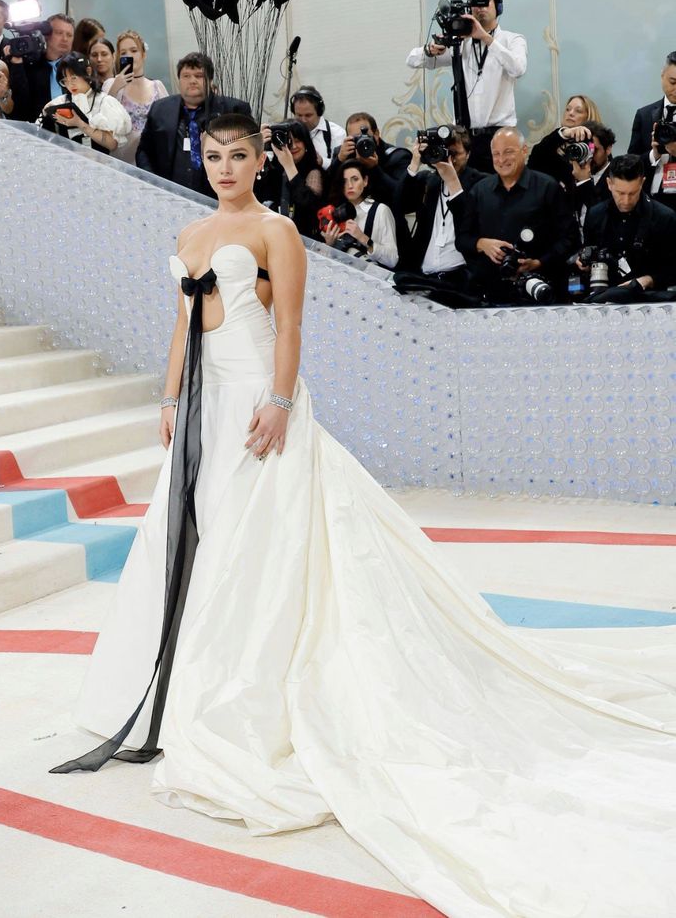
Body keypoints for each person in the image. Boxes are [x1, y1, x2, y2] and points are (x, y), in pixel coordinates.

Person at [52, 111, 676, 918]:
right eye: (212, 156)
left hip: (256, 399)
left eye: (238, 156)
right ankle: (188, 678)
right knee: (202, 535)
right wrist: (169, 397)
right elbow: (180, 321)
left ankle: (256, 680)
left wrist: (280, 399)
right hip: (203, 406)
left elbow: (290, 322)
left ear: (257, 161)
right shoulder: (190, 227)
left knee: (264, 538)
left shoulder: (275, 229)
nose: (223, 167)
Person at [406, 0, 527, 172]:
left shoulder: (512, 40)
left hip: (499, 136)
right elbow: (412, 60)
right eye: (474, 4)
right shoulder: (461, 43)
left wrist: (486, 38)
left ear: (499, 8)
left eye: (484, 3)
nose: (479, 9)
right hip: (464, 138)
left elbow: (518, 68)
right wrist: (431, 50)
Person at [446, 127, 578, 303]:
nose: (501, 160)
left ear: (524, 151)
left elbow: (571, 238)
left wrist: (539, 262)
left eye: (508, 152)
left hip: (539, 291)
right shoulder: (479, 191)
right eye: (496, 154)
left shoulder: (547, 187)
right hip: (488, 294)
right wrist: (482, 243)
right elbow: (462, 239)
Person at [136, 51, 250, 195]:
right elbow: (143, 151)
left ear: (210, 80)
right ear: (179, 80)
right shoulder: (160, 109)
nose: (192, 81)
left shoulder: (233, 110)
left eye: (199, 76)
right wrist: (153, 182)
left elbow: (246, 155)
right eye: (186, 76)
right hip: (169, 195)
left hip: (220, 197)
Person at [394, 125, 484, 297]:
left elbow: (469, 221)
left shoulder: (480, 183)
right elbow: (400, 204)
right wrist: (415, 162)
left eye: (455, 154)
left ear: (468, 154)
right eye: (446, 153)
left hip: (459, 280)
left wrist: (452, 181)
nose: (450, 160)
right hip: (423, 277)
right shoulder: (430, 181)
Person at [580, 153, 676, 301]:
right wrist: (583, 262)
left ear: (642, 183)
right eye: (620, 193)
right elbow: (588, 252)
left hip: (649, 300)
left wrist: (649, 279)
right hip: (602, 299)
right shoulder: (595, 215)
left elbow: (673, 268)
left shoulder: (665, 217)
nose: (626, 200)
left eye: (633, 193)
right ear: (609, 184)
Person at [38, 51, 130, 154]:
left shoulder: (104, 101)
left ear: (88, 71)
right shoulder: (59, 102)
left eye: (74, 78)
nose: (70, 84)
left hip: (99, 164)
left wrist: (80, 123)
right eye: (65, 81)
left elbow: (112, 144)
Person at [103, 29, 168, 164]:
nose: (129, 56)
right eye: (124, 53)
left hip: (154, 161)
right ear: (118, 57)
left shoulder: (157, 86)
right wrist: (116, 87)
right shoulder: (111, 84)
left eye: (134, 51)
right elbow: (101, 121)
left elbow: (169, 124)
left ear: (143, 54)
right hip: (122, 162)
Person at [321, 159, 399, 269]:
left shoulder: (381, 210)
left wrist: (363, 238)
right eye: (345, 181)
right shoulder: (335, 211)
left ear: (365, 181)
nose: (350, 185)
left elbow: (392, 260)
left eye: (355, 179)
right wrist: (329, 244)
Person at [257, 119, 324, 238]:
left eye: (298, 141)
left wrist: (289, 166)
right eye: (287, 140)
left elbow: (308, 204)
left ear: (306, 143)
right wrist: (256, 148)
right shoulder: (270, 166)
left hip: (300, 238)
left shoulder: (314, 172)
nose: (292, 146)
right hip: (265, 232)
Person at [330, 111, 412, 203]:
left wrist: (375, 169)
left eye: (364, 136)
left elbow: (403, 198)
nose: (362, 142)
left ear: (376, 134)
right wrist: (339, 160)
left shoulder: (398, 156)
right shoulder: (343, 154)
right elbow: (327, 191)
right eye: (356, 138)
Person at [6, 12, 75, 122]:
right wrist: (16, 63)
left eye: (69, 35)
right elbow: (19, 104)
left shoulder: (77, 67)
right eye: (59, 33)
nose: (65, 39)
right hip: (37, 130)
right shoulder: (30, 66)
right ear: (46, 34)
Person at [528, 94, 603, 192]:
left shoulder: (596, 144)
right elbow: (535, 159)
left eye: (578, 111)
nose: (570, 113)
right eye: (568, 109)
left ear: (588, 116)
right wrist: (564, 133)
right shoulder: (556, 139)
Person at [627, 50, 676, 155]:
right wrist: (653, 155)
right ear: (662, 75)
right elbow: (631, 162)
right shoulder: (644, 115)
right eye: (673, 82)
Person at [289, 85, 344, 171]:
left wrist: (323, 162)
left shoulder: (337, 133)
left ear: (319, 111)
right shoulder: (286, 132)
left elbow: (343, 168)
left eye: (308, 115)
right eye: (299, 115)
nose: (303, 120)